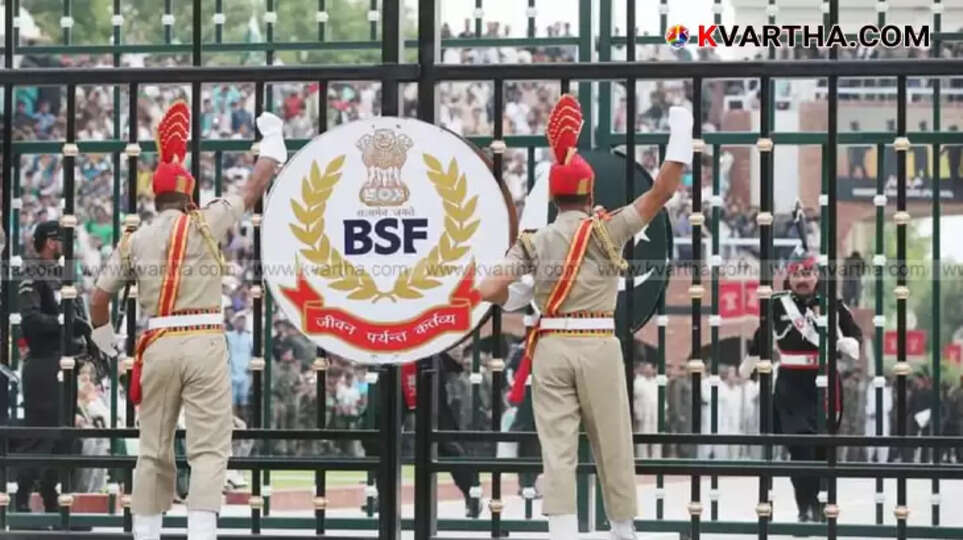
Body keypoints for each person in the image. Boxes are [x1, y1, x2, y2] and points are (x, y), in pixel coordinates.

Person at [478, 95, 691, 540]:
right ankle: (623, 527)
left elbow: (489, 289)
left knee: (556, 446)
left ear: (553, 198)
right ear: (591, 193)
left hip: (551, 346)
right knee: (613, 440)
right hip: (597, 342)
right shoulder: (608, 229)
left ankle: (561, 529)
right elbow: (663, 190)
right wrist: (681, 131)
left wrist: (516, 297)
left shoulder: (534, 241)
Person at [88, 103, 287, 540]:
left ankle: (146, 532)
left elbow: (99, 297)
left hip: (158, 342)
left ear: (155, 198)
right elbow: (254, 185)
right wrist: (273, 143)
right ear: (188, 195)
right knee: (209, 447)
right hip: (203, 339)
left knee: (152, 449)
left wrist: (106, 342)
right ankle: (201, 532)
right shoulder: (206, 220)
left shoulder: (135, 239)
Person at [740, 249, 863, 523]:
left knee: (823, 448)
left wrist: (848, 343)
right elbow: (762, 336)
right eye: (796, 275)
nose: (802, 280)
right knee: (799, 448)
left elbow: (855, 334)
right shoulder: (777, 304)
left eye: (807, 273)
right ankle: (805, 506)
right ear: (789, 277)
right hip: (791, 384)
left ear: (817, 275)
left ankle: (822, 503)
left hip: (825, 382)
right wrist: (749, 362)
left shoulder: (832, 304)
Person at [16, 220, 91, 512]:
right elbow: (31, 320)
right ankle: (21, 502)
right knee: (41, 437)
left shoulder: (63, 275)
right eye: (61, 239)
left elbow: (78, 318)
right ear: (50, 242)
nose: (66, 245)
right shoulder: (34, 271)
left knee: (63, 438)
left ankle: (51, 500)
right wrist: (65, 323)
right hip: (43, 364)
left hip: (65, 363)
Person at [225, 312, 253, 421]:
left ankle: (244, 423)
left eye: (243, 321)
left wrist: (250, 367)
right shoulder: (228, 336)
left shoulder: (250, 337)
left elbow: (254, 354)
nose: (241, 323)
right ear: (235, 323)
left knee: (243, 398)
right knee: (232, 399)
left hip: (245, 373)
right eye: (239, 321)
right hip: (231, 372)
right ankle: (233, 423)